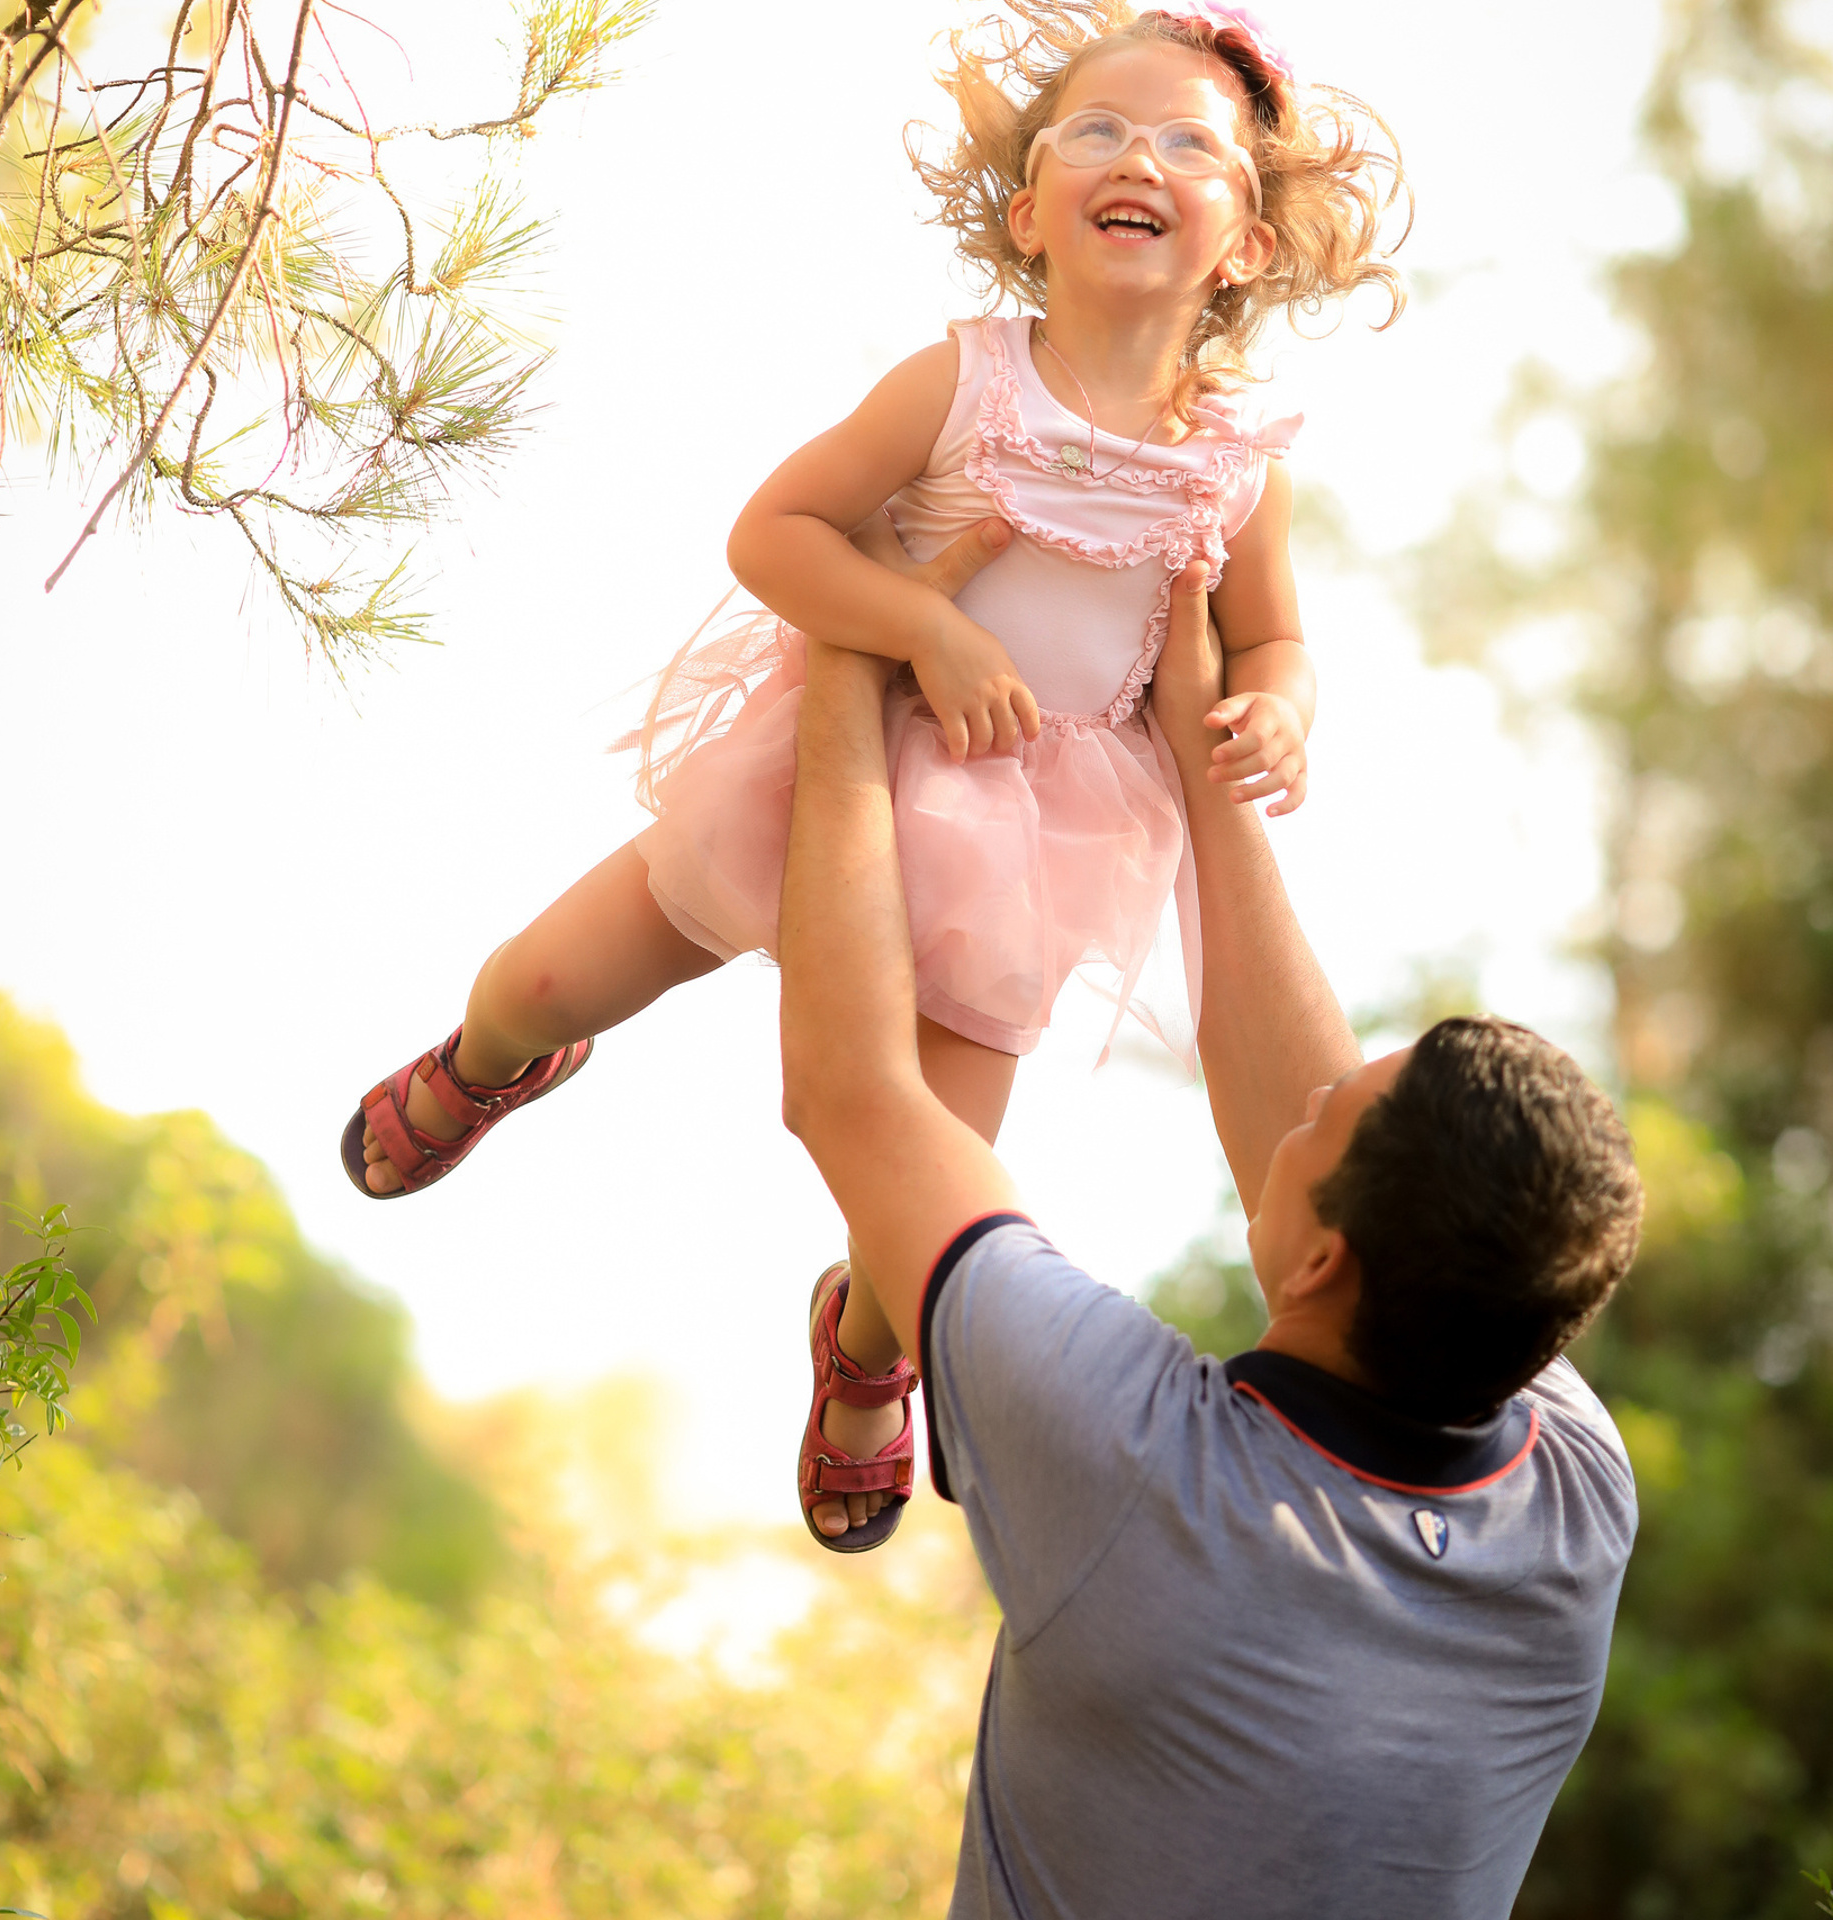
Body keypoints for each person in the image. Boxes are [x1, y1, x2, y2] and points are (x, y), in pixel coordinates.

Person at [339, 1, 1406, 1548]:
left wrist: (1282, 713)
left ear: (1244, 238)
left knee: (931, 1193)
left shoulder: (1239, 468)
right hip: (834, 761)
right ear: (1031, 207)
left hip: (1032, 840)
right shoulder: (964, 381)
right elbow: (772, 535)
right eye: (1098, 130)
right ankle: (499, 1051)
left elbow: (1276, 641)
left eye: (1192, 145)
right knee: (550, 972)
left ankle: (861, 1352)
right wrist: (922, 626)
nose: (1140, 159)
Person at [777, 553, 1645, 1918]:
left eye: (1319, 1127)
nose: (1282, 1124)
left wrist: (849, 641)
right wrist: (1199, 754)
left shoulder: (1139, 1473)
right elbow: (1324, 1127)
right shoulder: (1571, 1501)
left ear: (1321, 1263)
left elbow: (853, 1090)